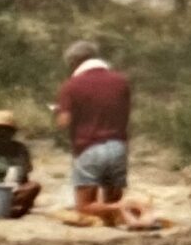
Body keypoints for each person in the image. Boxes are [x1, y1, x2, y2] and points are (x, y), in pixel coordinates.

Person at [53, 39, 133, 223]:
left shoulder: (72, 85)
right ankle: (121, 213)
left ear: (75, 62)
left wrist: (58, 112)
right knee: (111, 207)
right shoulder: (121, 81)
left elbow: (64, 121)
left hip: (89, 147)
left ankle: (127, 208)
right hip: (118, 145)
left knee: (85, 206)